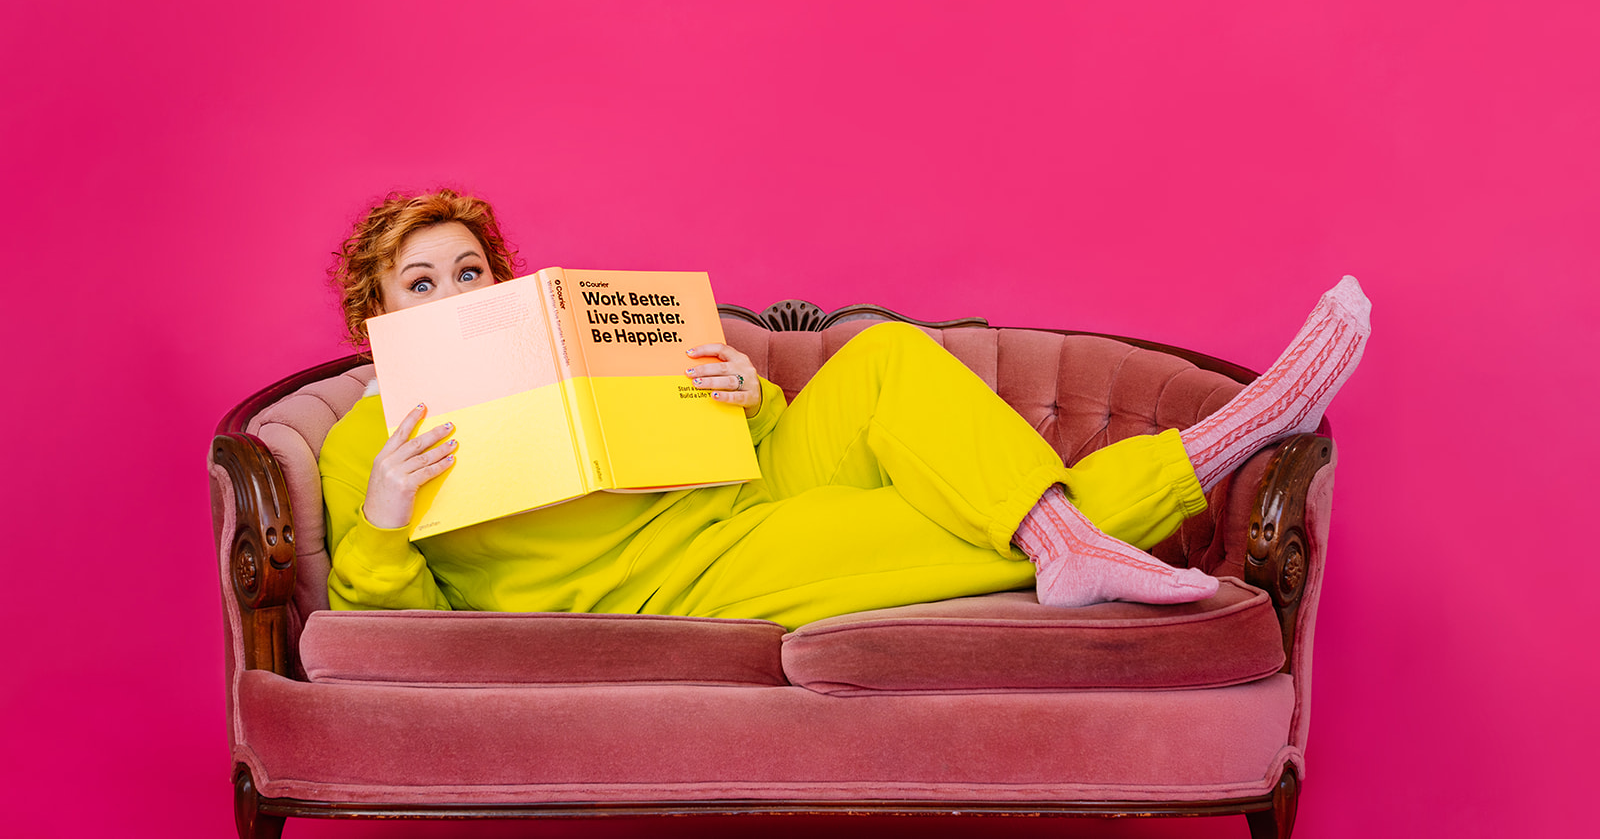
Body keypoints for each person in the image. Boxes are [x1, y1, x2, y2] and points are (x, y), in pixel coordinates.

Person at [320, 189, 1370, 630]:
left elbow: (743, 431)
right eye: (423, 284)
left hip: (742, 481)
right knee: (935, 520)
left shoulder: (561, 346)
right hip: (683, 574)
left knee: (882, 359)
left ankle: (1064, 536)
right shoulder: (363, 438)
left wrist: (747, 395)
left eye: (470, 270)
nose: (455, 293)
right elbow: (394, 622)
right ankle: (1237, 430)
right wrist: (381, 515)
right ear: (375, 318)